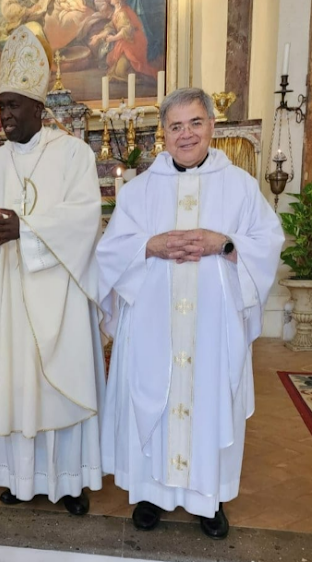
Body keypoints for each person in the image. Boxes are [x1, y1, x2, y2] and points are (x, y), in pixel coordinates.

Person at [96, 87, 284, 539]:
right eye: (176, 126)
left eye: (195, 123)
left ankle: (208, 498)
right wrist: (150, 245)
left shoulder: (240, 187)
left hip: (212, 329)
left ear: (212, 128)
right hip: (153, 328)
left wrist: (225, 243)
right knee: (153, 400)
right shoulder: (139, 191)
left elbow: (267, 243)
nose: (186, 135)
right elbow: (109, 253)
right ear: (163, 133)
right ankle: (150, 494)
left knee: (207, 401)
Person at [0, 23, 105, 515]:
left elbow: (85, 217)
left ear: (38, 107)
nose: (5, 114)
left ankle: (70, 483)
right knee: (19, 384)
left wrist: (25, 231)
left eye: (14, 105)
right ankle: (21, 479)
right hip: (12, 289)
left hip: (61, 289)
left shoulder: (72, 152)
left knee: (60, 383)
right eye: (2, 104)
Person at [90, 0, 158, 81]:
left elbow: (126, 30)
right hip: (125, 41)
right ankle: (131, 70)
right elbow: (110, 27)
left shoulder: (122, 12)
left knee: (120, 72)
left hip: (134, 42)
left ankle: (137, 75)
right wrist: (97, 36)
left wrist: (113, 38)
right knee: (118, 71)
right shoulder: (117, 11)